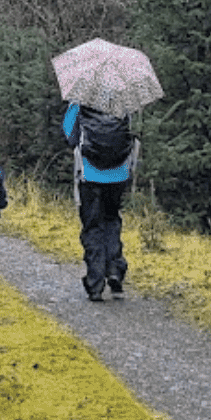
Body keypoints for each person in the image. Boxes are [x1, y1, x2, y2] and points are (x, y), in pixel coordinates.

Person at [63, 103, 137, 302]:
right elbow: (130, 134)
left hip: (90, 174)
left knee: (92, 225)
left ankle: (95, 284)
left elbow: (69, 134)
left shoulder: (81, 98)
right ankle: (115, 270)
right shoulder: (124, 99)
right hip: (119, 173)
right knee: (112, 218)